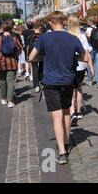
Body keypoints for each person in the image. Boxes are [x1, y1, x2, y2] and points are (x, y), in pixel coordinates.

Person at [29, 11, 87, 165]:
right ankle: (67, 141)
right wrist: (73, 57)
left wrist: (45, 57)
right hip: (68, 79)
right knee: (67, 110)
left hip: (51, 81)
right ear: (64, 22)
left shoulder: (44, 38)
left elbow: (31, 57)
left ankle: (62, 151)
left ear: (51, 23)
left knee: (57, 115)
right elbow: (85, 57)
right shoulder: (72, 38)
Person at [67, 15, 94, 125]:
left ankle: (72, 112)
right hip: (81, 66)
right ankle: (78, 111)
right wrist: (91, 67)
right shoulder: (82, 36)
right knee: (78, 88)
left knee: (69, 90)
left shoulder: (66, 36)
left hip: (69, 66)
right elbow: (87, 53)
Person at [0, 20, 23, 108]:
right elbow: (20, 49)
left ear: (2, 28)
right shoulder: (15, 37)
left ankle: (3, 99)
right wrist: (16, 55)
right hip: (12, 62)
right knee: (10, 81)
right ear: (12, 28)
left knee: (2, 80)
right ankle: (10, 101)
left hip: (1, 62)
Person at [28, 22, 45, 93]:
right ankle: (42, 83)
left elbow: (28, 47)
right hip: (42, 55)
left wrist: (28, 56)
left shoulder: (30, 36)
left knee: (34, 70)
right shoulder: (43, 36)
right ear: (40, 28)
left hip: (33, 55)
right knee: (42, 69)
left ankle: (36, 85)